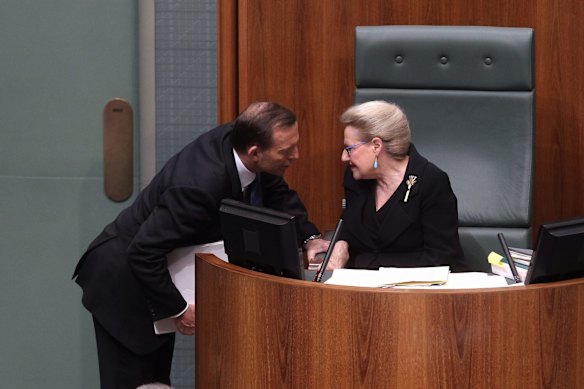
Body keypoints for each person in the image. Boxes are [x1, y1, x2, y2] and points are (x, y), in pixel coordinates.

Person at [73, 101, 328, 389]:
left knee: (156, 382)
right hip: (123, 284)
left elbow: (275, 188)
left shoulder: (243, 139)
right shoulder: (199, 186)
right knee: (137, 383)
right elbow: (143, 252)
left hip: (151, 278)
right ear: (254, 153)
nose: (296, 155)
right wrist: (180, 309)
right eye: (286, 151)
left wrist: (309, 237)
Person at [316, 100, 465, 271]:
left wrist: (367, 263)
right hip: (361, 289)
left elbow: (441, 257)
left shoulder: (431, 182)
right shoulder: (354, 177)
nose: (343, 157)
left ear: (376, 146)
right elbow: (349, 225)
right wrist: (341, 244)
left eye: (349, 149)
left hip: (418, 293)